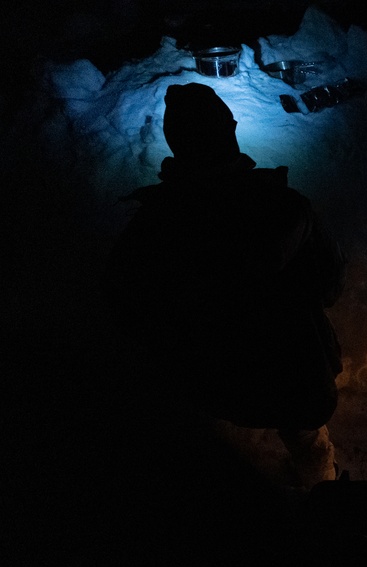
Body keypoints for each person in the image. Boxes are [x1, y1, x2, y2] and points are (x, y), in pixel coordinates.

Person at [102, 82, 346, 490]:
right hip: (295, 374)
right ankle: (322, 497)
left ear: (175, 143)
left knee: (222, 457)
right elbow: (330, 287)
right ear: (231, 129)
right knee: (307, 442)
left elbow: (128, 311)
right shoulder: (288, 208)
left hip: (208, 381)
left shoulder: (152, 226)